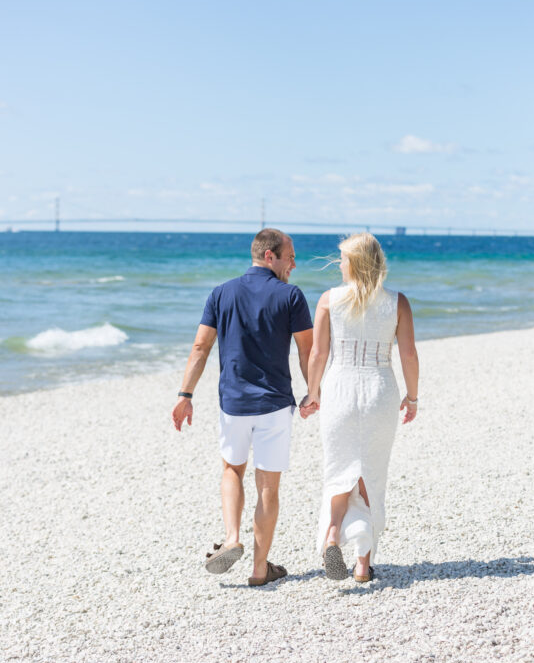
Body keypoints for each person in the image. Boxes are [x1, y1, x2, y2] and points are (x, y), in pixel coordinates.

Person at [172, 228, 313, 587]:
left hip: (234, 404)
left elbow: (200, 347)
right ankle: (259, 569)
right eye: (290, 257)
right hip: (274, 405)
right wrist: (314, 391)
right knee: (268, 486)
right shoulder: (291, 296)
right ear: (269, 256)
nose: (294, 265)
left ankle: (232, 537)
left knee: (232, 470)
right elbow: (307, 350)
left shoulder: (221, 293)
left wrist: (185, 394)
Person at [300, 232, 418, 582]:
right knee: (371, 474)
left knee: (339, 470)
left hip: (340, 388)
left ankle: (332, 534)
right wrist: (412, 397)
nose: (339, 264)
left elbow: (318, 354)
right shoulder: (397, 302)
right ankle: (363, 564)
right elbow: (409, 354)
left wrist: (312, 393)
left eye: (342, 258)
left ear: (353, 263)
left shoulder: (329, 299)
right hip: (379, 389)